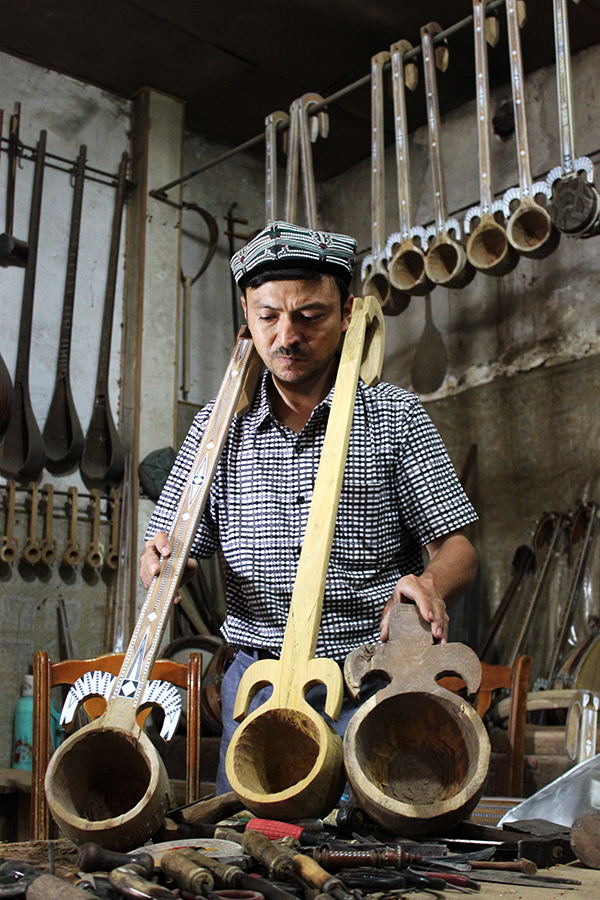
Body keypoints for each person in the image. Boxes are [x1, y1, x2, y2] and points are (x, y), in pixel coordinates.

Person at [140, 220, 478, 793]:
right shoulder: (217, 430)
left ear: (346, 314)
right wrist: (162, 563)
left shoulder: (393, 417)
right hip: (257, 686)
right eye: (268, 316)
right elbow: (168, 544)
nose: (286, 336)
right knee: (249, 838)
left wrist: (430, 583)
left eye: (309, 316)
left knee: (368, 841)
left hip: (367, 680)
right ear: (246, 314)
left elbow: (459, 549)